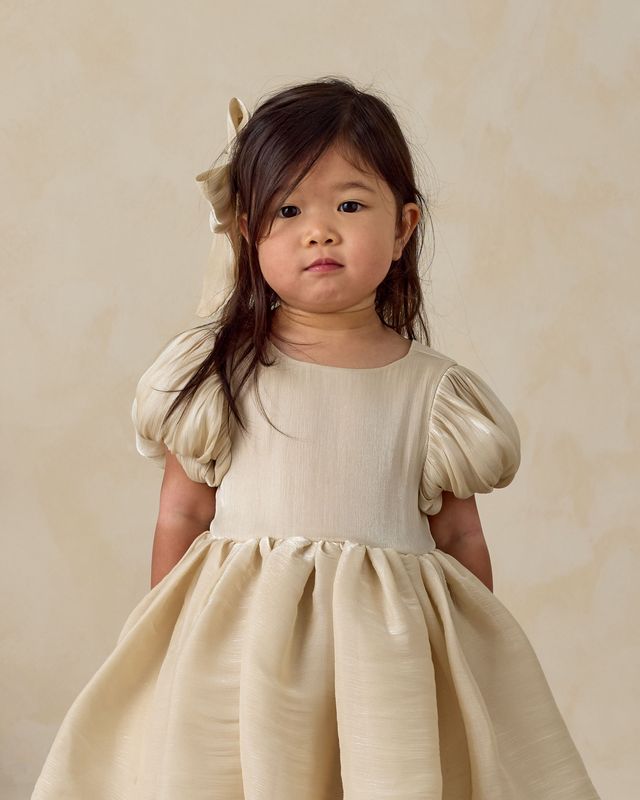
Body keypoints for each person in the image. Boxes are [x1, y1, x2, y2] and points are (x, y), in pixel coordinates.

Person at [31, 76, 601, 799]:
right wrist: (166, 637)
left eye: (351, 205)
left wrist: (462, 666)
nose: (319, 230)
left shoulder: (436, 393)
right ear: (247, 231)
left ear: (404, 227)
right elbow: (183, 512)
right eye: (288, 209)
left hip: (385, 659)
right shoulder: (219, 373)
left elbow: (459, 540)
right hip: (243, 653)